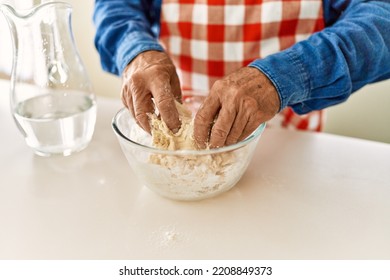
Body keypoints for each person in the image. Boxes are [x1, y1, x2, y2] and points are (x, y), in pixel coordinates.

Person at [93, 0, 390, 148]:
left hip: (290, 147)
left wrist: (282, 77)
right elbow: (117, 7)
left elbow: (382, 19)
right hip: (175, 145)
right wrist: (135, 51)